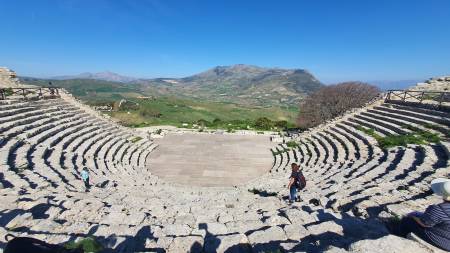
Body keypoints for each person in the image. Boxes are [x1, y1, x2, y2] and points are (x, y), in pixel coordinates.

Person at [392, 178, 450, 251]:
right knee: (419, 214)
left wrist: (412, 217)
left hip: (445, 242)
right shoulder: (438, 210)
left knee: (407, 221)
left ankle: (399, 238)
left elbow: (425, 224)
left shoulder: (438, 209)